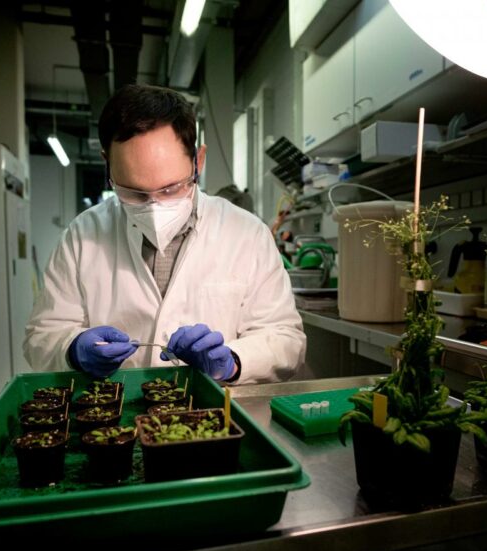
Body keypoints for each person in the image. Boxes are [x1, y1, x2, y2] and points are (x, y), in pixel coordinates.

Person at [24, 84, 306, 384]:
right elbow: (41, 337)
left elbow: (286, 340)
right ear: (107, 162)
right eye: (134, 193)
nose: (154, 208)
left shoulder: (247, 234)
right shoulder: (81, 236)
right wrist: (73, 350)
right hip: (116, 418)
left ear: (198, 161)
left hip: (217, 416)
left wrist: (232, 362)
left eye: (171, 188)